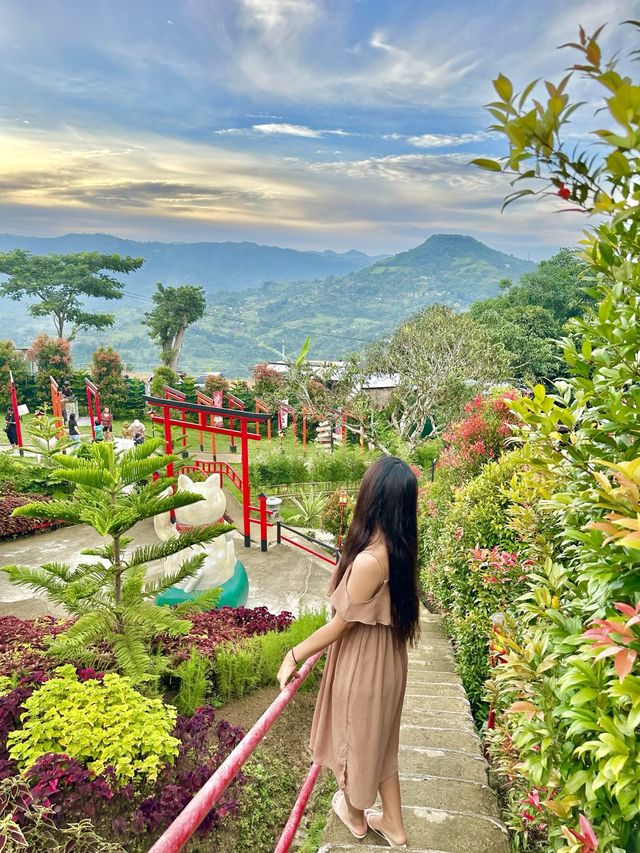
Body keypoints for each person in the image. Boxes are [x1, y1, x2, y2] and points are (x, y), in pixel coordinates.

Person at [277, 456, 420, 848]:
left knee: (353, 739)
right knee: (382, 741)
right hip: (389, 659)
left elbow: (341, 624)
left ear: (372, 499)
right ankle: (393, 823)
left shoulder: (370, 560)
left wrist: (294, 654)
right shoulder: (401, 549)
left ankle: (355, 814)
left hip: (364, 662)